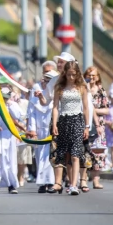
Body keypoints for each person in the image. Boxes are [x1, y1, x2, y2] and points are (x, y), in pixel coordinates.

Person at [51, 61, 90, 196]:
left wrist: (87, 126)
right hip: (64, 120)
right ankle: (65, 182)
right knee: (64, 153)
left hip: (77, 120)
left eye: (73, 75)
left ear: (77, 74)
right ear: (65, 74)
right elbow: (55, 107)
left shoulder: (81, 87)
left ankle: (74, 185)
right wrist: (55, 124)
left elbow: (85, 108)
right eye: (68, 75)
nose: (71, 77)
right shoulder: (60, 87)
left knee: (75, 153)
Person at [26, 66, 55, 193]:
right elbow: (31, 113)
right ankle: (42, 182)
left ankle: (50, 181)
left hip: (50, 129)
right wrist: (32, 129)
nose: (45, 82)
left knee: (49, 155)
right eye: (45, 80)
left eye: (49, 81)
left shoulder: (54, 95)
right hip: (38, 129)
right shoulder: (35, 93)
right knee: (39, 156)